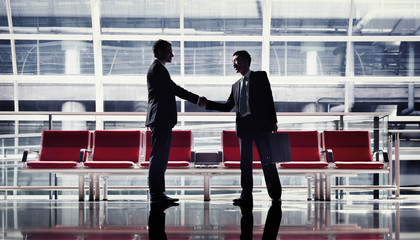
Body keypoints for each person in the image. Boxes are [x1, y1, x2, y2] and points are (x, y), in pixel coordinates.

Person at [204, 50, 282, 205]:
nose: (234, 64)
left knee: (267, 160)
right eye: (233, 61)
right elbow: (227, 106)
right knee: (245, 163)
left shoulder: (260, 77)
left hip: (261, 127)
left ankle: (275, 195)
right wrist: (208, 104)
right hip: (244, 128)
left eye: (236, 60)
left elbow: (268, 98)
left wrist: (273, 121)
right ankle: (246, 195)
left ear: (246, 61)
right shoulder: (235, 86)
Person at [146, 39, 206, 203]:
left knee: (161, 156)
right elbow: (174, 89)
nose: (172, 54)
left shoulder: (158, 68)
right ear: (159, 52)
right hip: (160, 118)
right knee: (158, 157)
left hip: (161, 118)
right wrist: (196, 99)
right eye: (169, 51)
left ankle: (158, 194)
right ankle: (156, 194)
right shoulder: (158, 68)